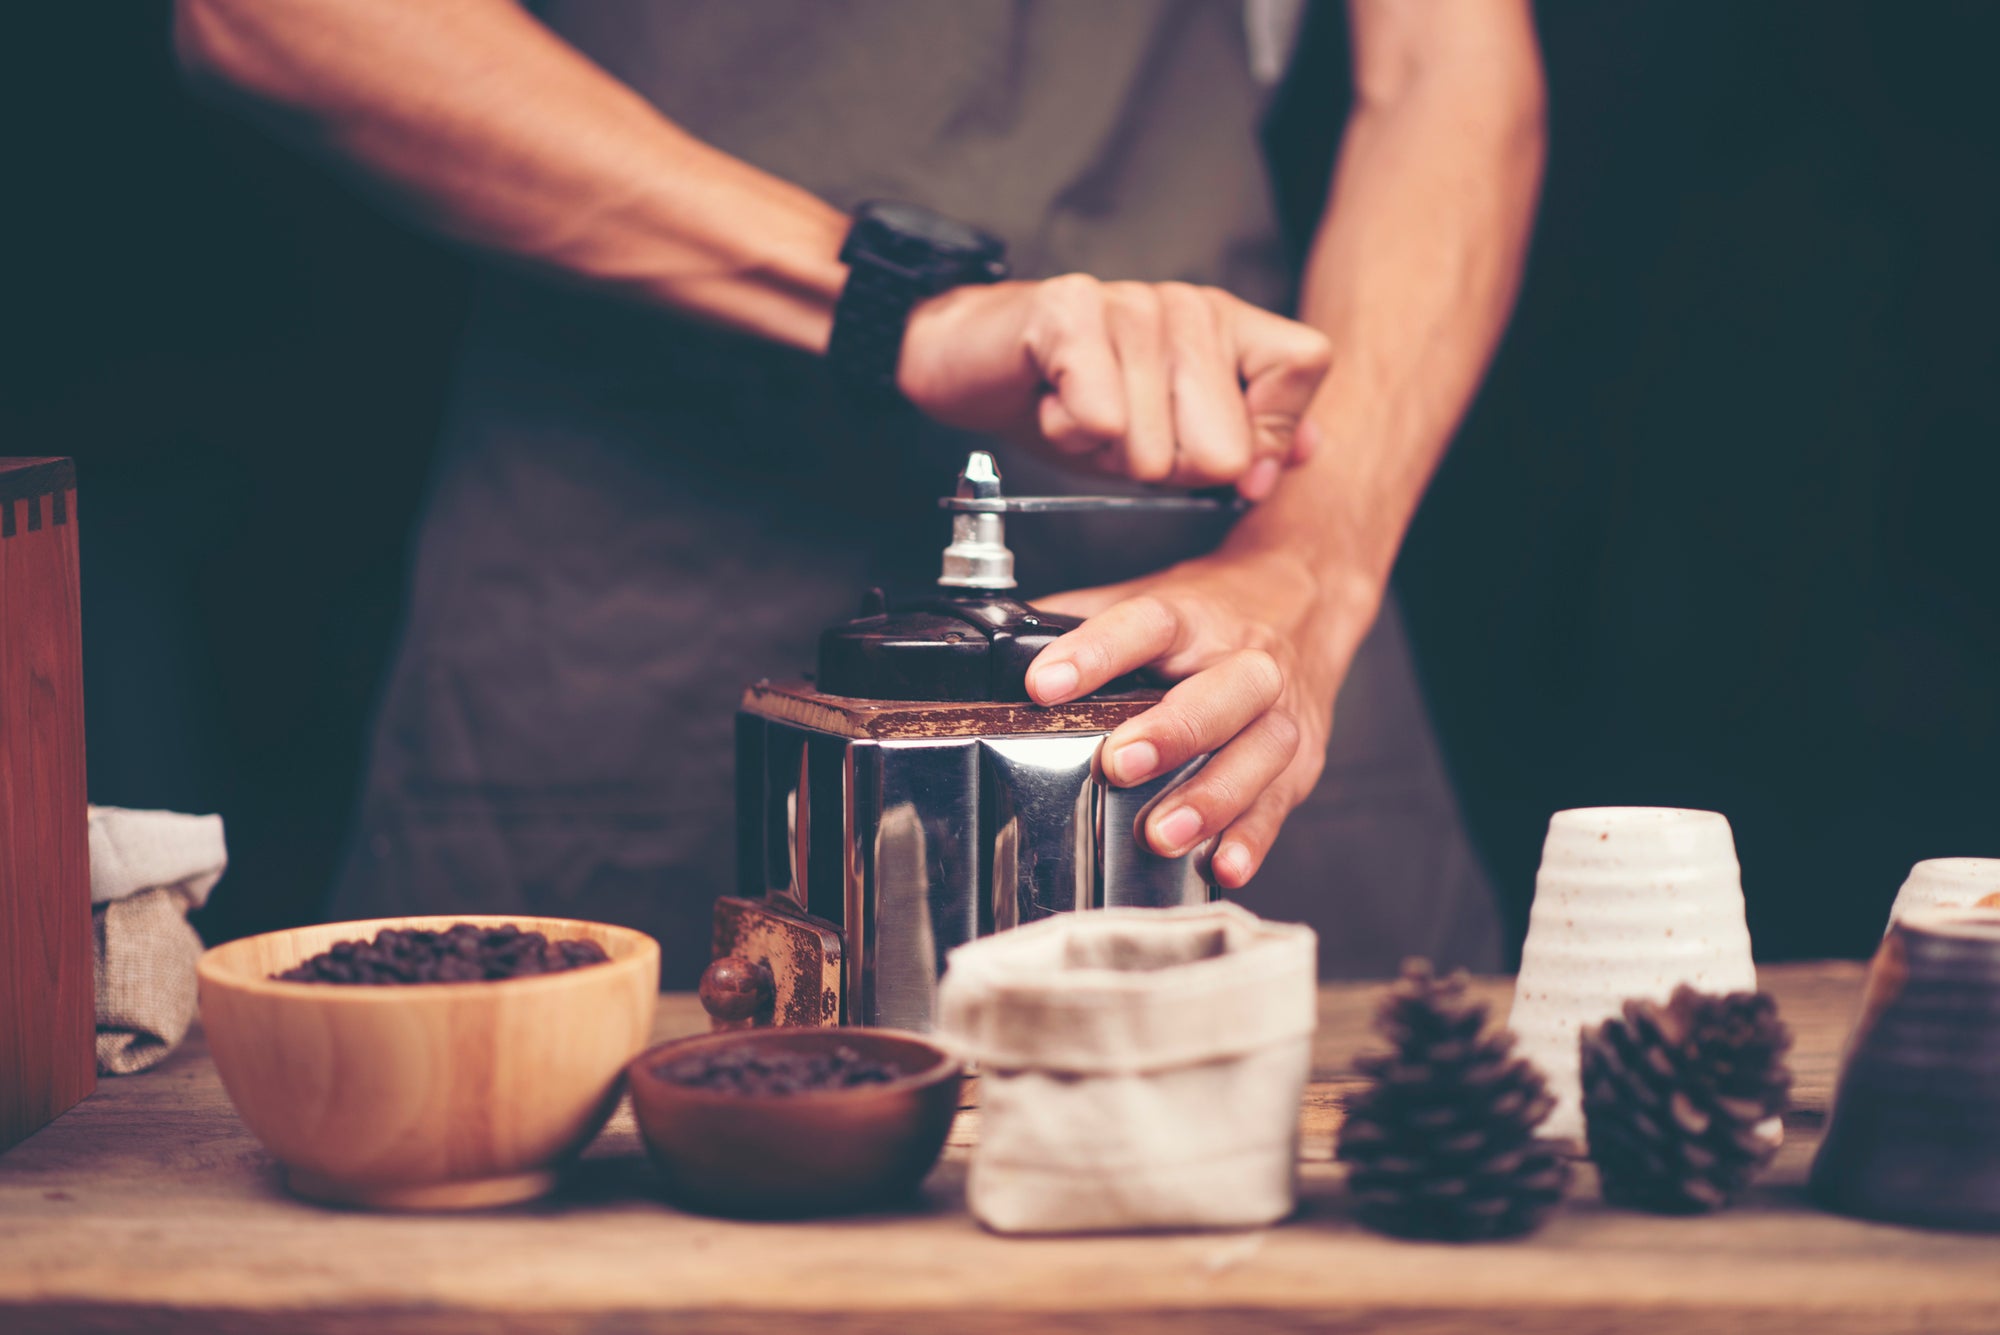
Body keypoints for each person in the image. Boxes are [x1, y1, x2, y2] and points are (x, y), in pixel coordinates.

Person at [175, 0, 1546, 984]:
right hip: (618, 603)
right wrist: (896, 314)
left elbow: (1445, 63)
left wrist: (1310, 565)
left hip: (1218, 630)